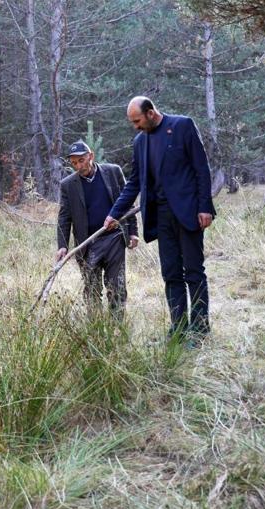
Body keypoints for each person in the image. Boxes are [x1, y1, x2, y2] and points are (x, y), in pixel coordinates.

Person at [103, 97, 216, 341]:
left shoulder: (183, 126)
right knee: (171, 273)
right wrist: (114, 214)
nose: (135, 126)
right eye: (132, 122)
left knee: (194, 272)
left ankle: (200, 330)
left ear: (151, 112)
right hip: (160, 217)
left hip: (189, 213)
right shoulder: (139, 142)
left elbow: (201, 169)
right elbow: (134, 183)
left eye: (137, 120)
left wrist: (205, 207)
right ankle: (178, 329)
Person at [57, 140, 139, 318]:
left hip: (114, 238)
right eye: (74, 163)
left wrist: (133, 231)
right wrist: (62, 245)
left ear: (91, 156)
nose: (78, 166)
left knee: (117, 287)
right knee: (92, 290)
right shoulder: (68, 185)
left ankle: (116, 328)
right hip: (87, 244)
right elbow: (64, 217)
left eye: (81, 160)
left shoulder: (112, 172)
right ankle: (96, 329)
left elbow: (128, 203)